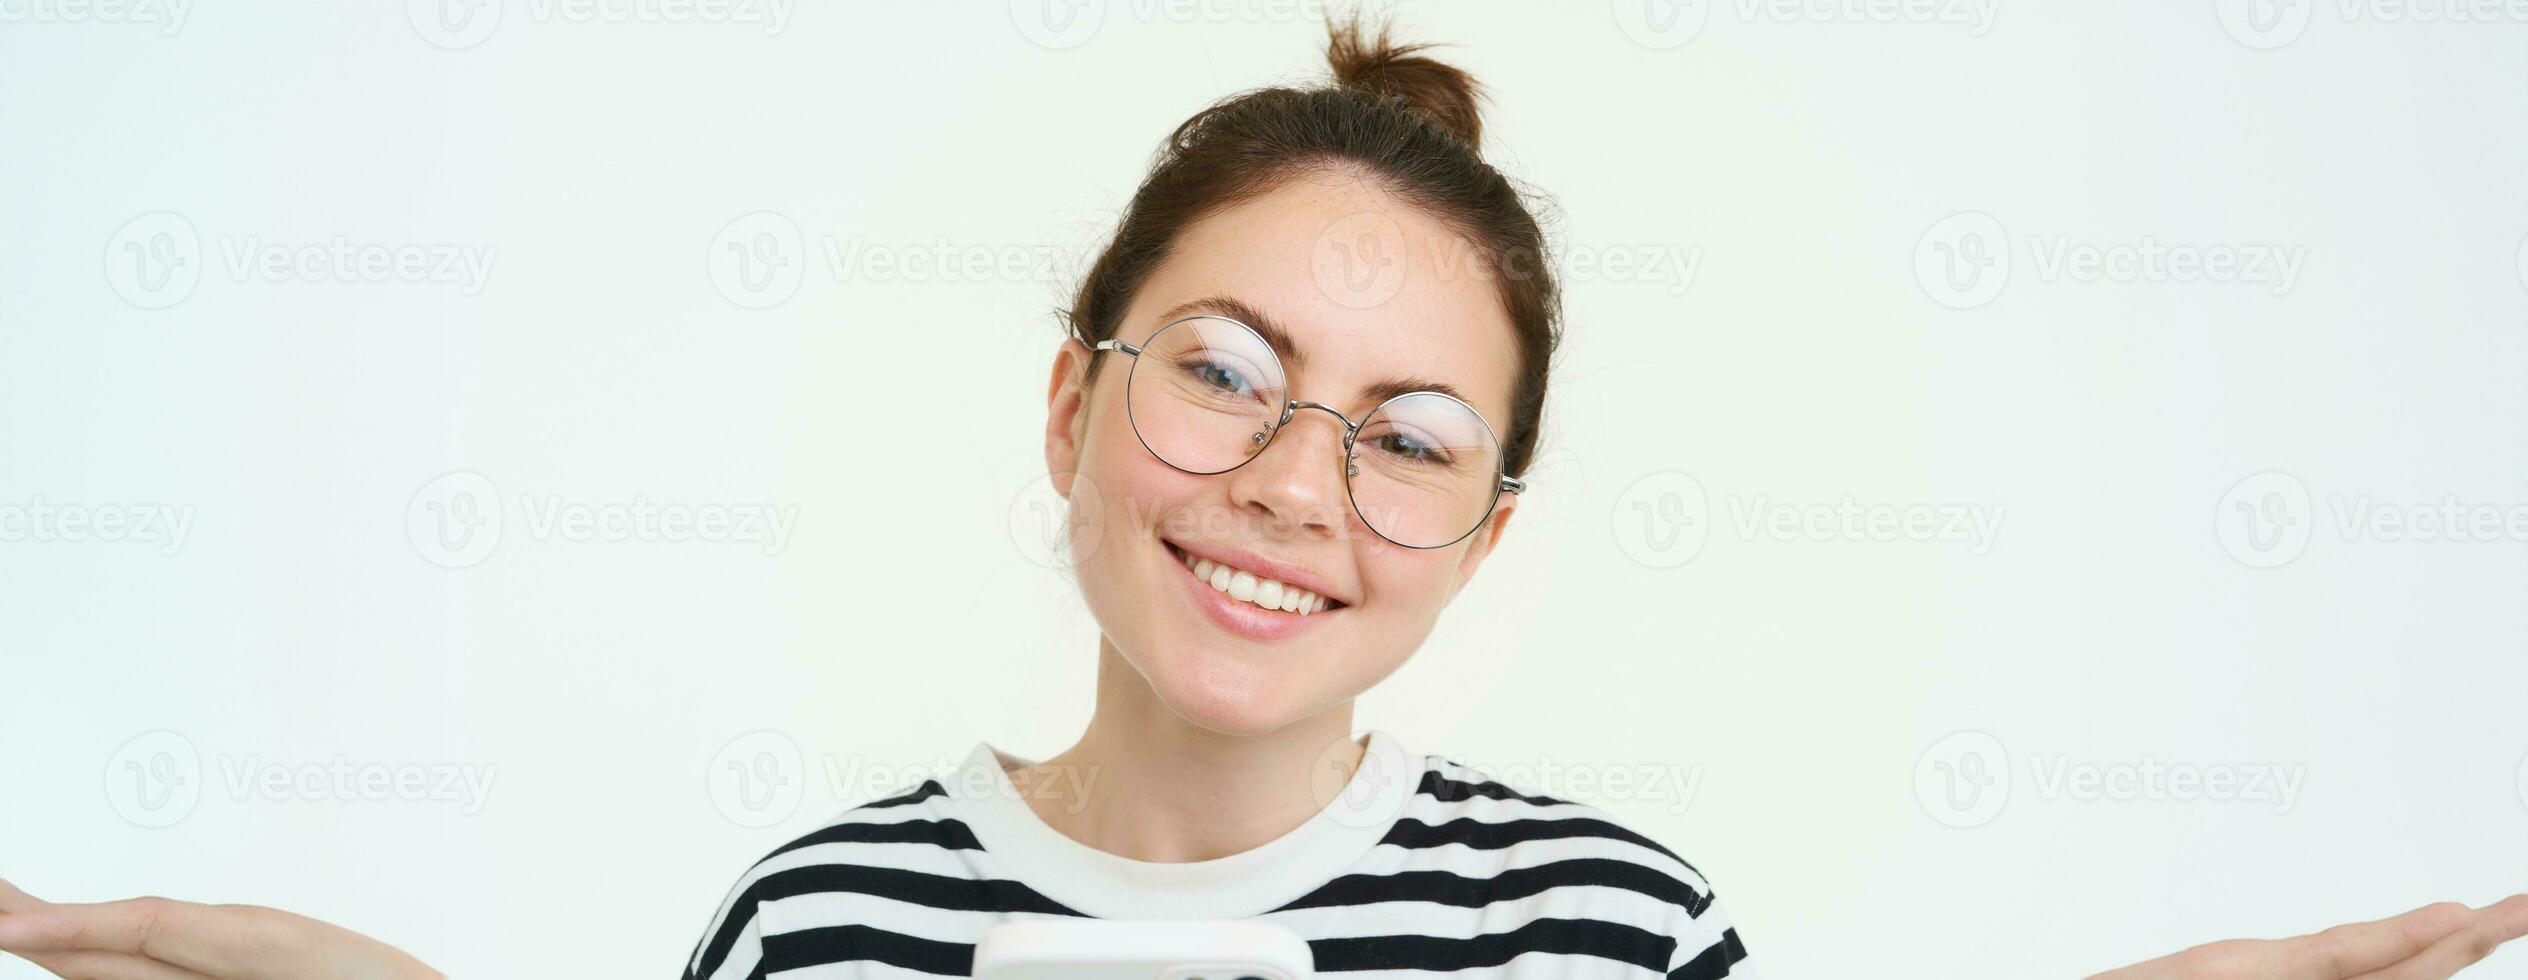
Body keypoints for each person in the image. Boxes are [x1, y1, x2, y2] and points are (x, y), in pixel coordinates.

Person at [5, 16, 2524, 980]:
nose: (1295, 487)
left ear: (1482, 532)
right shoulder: (827, 919)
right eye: (1223, 373)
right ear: (1075, 400)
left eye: (1409, 434)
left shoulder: (1605, 925)